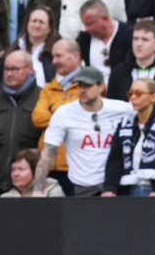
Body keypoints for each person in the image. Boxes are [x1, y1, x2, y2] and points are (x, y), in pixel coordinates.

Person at [32, 66, 133, 197]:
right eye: (80, 85)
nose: (82, 90)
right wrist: (37, 189)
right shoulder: (64, 113)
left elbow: (152, 114)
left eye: (88, 86)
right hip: (84, 186)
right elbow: (47, 153)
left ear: (101, 87)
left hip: (116, 184)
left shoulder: (120, 108)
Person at [0, 49, 42, 196]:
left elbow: (49, 131)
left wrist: (39, 151)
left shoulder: (42, 97)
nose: (9, 73)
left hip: (29, 181)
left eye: (15, 69)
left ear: (30, 69)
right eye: (6, 69)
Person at [102, 78, 155, 196]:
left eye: (138, 93)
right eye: (130, 93)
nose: (133, 97)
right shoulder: (124, 124)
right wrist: (110, 188)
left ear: (153, 97)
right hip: (128, 189)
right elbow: (115, 158)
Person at [0, 149, 65, 197]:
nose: (15, 174)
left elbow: (61, 214)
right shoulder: (6, 197)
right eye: (13, 169)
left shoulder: (51, 189)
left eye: (21, 169)